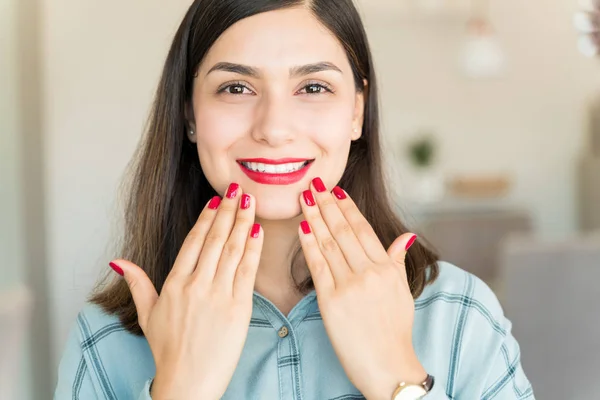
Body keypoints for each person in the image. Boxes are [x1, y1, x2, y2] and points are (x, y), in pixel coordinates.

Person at [54, 1, 534, 399]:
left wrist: (398, 378)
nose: (274, 128)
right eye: (236, 87)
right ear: (189, 114)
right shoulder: (106, 340)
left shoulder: (461, 313)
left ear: (357, 111)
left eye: (313, 87)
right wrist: (180, 389)